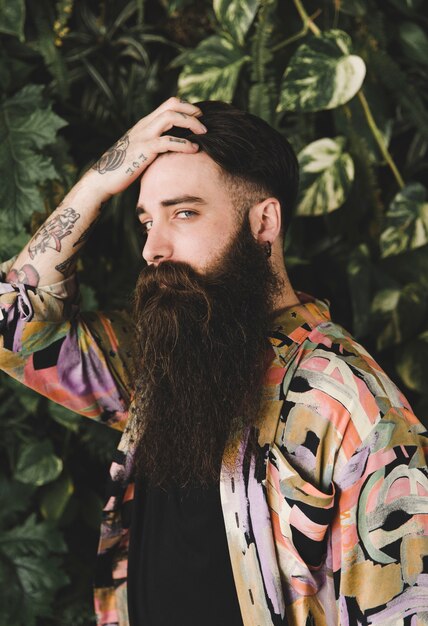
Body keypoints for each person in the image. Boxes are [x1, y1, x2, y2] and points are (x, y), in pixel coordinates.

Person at [0, 97, 427, 626]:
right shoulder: (165, 360)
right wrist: (101, 178)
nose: (152, 248)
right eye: (145, 221)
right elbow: (16, 332)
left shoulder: (351, 407)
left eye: (183, 212)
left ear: (263, 222)